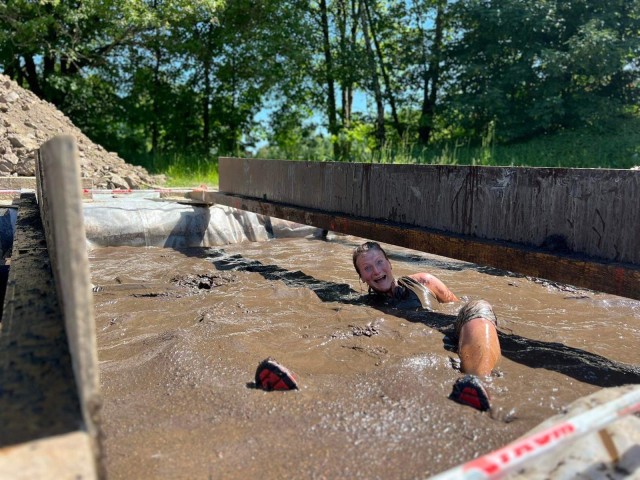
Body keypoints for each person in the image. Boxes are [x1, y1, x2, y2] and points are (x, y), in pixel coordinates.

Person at [352, 241, 501, 411]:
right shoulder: (365, 308)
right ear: (361, 277)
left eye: (379, 262)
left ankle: (479, 385)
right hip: (432, 348)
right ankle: (471, 390)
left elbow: (459, 308)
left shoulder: (424, 282)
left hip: (456, 332)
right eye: (367, 268)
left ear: (389, 263)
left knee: (479, 307)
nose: (377, 271)